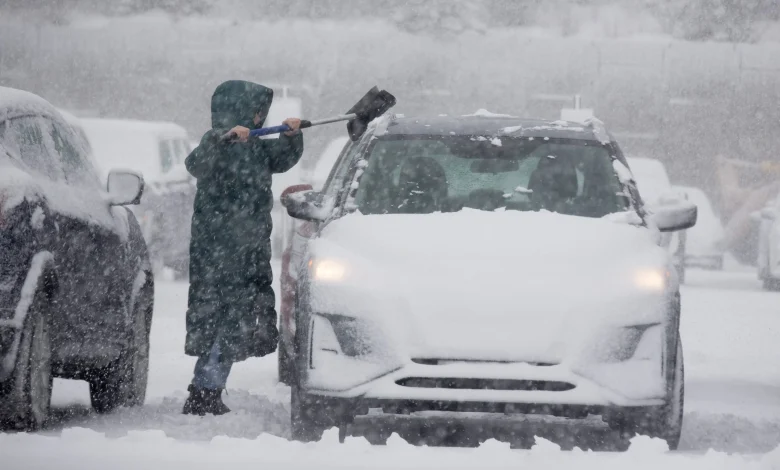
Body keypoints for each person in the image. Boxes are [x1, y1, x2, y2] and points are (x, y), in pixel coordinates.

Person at [182, 80, 303, 415]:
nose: (259, 117)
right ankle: (204, 390)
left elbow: (282, 159)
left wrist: (291, 135)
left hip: (248, 250)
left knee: (236, 321)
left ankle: (207, 389)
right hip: (217, 253)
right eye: (255, 111)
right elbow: (195, 164)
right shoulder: (215, 142)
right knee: (220, 320)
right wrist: (224, 140)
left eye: (261, 112)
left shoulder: (257, 145)